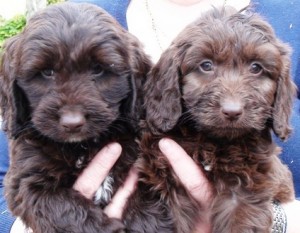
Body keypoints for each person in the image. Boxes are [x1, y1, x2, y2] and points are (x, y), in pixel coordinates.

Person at [0, 0, 299, 232]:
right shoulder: (84, 13)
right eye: (205, 67)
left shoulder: (292, 17)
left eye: (99, 71)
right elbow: (8, 181)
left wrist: (279, 223)